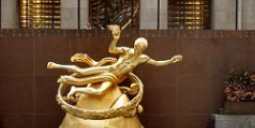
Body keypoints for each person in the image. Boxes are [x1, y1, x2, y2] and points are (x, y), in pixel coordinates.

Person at [47, 24, 182, 102]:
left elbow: (157, 63)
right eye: (136, 46)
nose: (137, 49)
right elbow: (111, 49)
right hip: (109, 69)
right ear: (134, 45)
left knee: (99, 92)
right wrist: (115, 39)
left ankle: (76, 89)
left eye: (140, 47)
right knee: (81, 72)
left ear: (143, 48)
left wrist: (170, 61)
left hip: (114, 78)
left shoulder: (143, 58)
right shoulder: (126, 51)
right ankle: (56, 65)